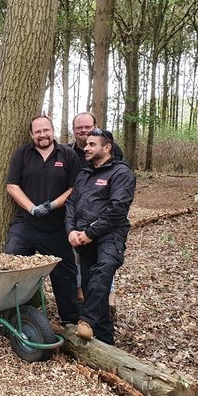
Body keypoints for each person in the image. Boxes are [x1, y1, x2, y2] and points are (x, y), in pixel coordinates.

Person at [5, 115, 81, 324]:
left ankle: (70, 321)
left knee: (65, 273)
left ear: (52, 130)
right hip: (26, 224)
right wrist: (32, 208)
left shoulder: (68, 155)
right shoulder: (22, 154)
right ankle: (13, 316)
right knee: (10, 264)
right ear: (31, 134)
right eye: (37, 132)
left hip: (57, 226)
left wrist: (52, 205)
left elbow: (75, 188)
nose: (42, 135)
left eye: (45, 130)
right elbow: (12, 185)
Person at [66, 128, 136, 345]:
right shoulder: (84, 174)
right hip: (83, 238)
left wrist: (89, 233)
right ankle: (105, 341)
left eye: (92, 145)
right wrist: (71, 231)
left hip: (110, 236)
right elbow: (71, 204)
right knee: (90, 287)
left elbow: (117, 210)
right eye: (86, 144)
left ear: (107, 148)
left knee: (102, 271)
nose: (86, 148)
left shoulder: (121, 173)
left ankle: (86, 321)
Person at [69, 112, 126, 306]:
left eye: (87, 127)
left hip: (102, 217)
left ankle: (107, 303)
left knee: (104, 261)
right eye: (79, 128)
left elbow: (118, 186)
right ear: (74, 130)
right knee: (80, 260)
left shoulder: (112, 150)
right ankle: (82, 296)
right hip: (78, 211)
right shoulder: (69, 151)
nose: (83, 131)